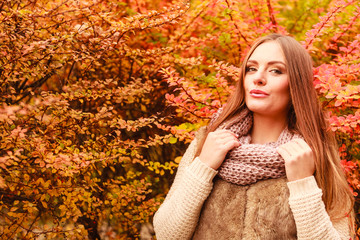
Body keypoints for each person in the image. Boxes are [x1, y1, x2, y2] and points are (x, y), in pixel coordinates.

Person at [153, 33, 354, 239]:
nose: (258, 78)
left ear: (297, 83)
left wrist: (303, 183)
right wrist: (203, 167)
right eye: (251, 68)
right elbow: (166, 234)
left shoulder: (314, 152)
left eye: (276, 71)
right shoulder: (210, 141)